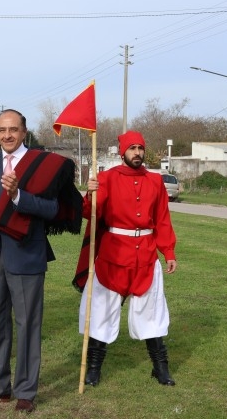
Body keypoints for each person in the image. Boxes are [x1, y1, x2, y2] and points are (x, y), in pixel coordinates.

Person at [0, 110, 81, 413]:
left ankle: (26, 391)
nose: (7, 135)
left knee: (28, 323)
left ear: (24, 131)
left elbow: (53, 209)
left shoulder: (43, 164)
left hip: (27, 252)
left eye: (13, 129)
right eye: (2, 130)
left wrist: (17, 196)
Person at [74, 130, 178, 387]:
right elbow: (90, 213)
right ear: (123, 152)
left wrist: (169, 252)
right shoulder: (106, 178)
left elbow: (163, 219)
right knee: (102, 311)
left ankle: (161, 368)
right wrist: (90, 194)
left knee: (151, 311)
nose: (137, 153)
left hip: (145, 254)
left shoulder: (155, 181)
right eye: (132, 149)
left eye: (140, 149)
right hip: (112, 255)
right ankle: (94, 369)